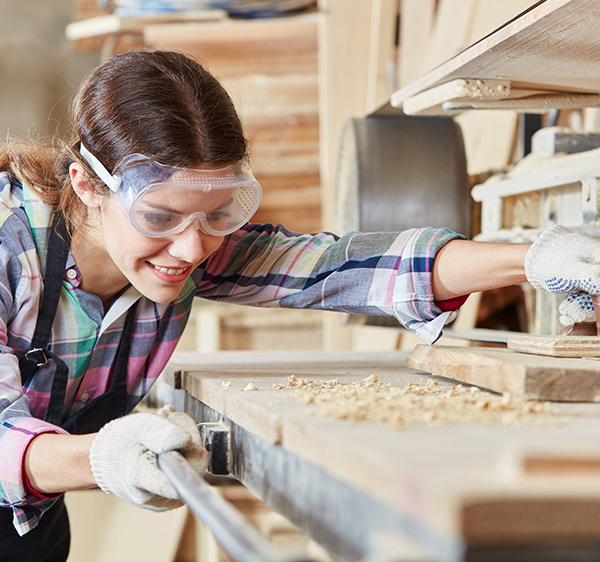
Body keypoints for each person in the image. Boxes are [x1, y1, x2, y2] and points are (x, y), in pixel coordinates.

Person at [0, 48, 597, 560]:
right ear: (86, 184)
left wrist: (534, 258)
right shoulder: (9, 248)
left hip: (33, 523)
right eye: (159, 216)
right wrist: (102, 458)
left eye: (216, 216)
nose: (190, 247)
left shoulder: (182, 246)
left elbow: (338, 267)